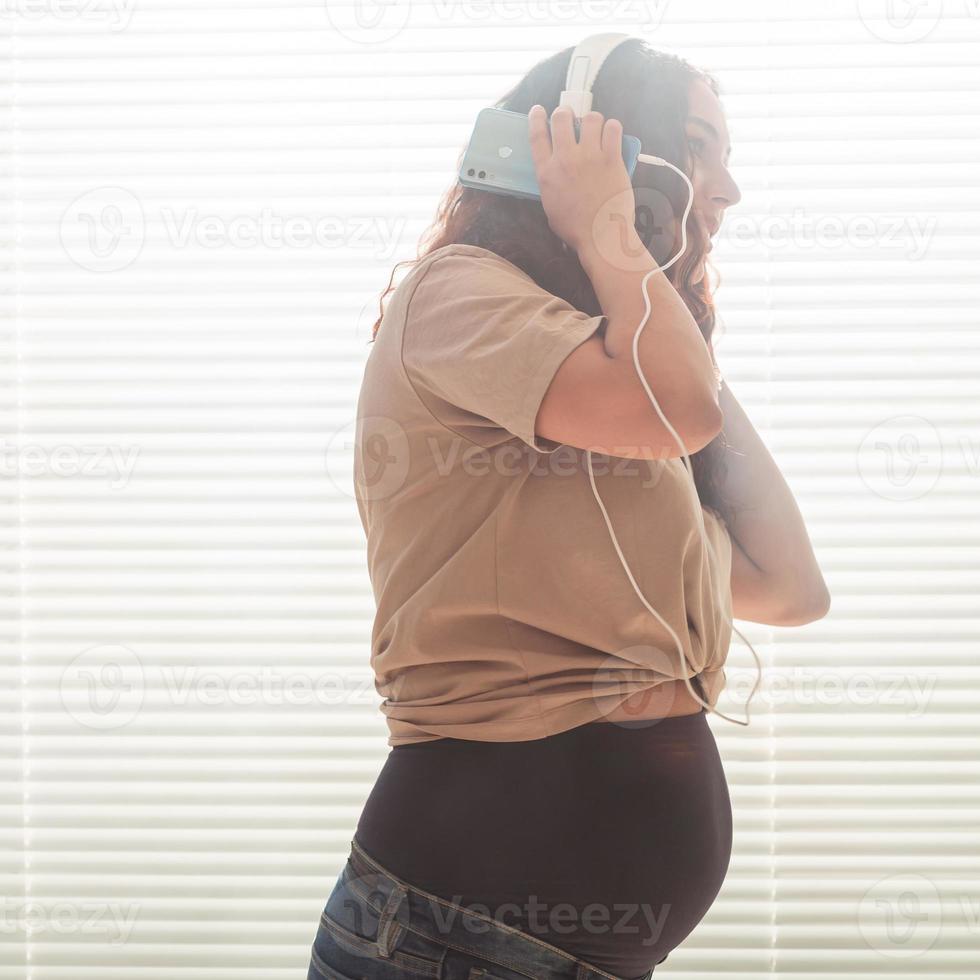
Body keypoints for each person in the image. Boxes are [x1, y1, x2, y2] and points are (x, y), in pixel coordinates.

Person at [306, 36, 829, 980]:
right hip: (447, 940)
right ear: (608, 152)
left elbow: (792, 586)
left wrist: (662, 314)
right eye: (703, 148)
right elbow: (679, 410)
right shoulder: (457, 298)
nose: (729, 191)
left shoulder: (615, 420)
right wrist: (609, 232)